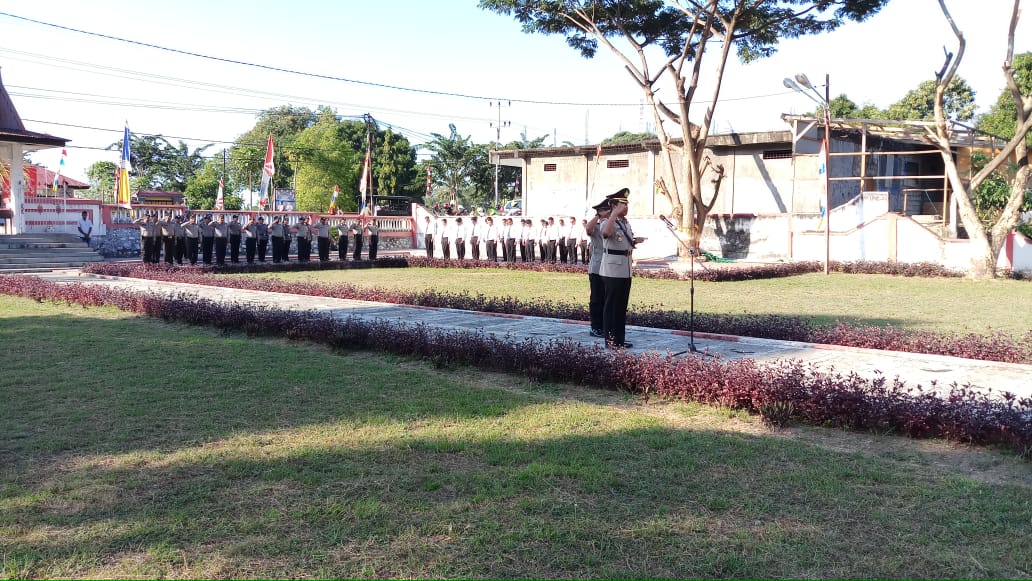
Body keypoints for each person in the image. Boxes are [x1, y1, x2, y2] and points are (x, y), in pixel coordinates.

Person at [600, 188, 646, 349]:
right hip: (612, 270)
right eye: (622, 204)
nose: (625, 208)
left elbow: (623, 240)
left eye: (626, 205)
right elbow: (606, 233)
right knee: (611, 306)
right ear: (612, 205)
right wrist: (613, 214)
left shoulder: (625, 222)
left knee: (620, 307)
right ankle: (610, 341)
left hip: (625, 269)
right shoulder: (607, 221)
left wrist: (635, 241)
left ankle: (619, 339)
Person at [586, 199, 612, 338]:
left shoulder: (612, 225)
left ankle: (606, 325)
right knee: (597, 298)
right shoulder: (596, 226)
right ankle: (595, 326)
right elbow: (588, 229)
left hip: (610, 268)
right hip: (597, 267)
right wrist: (598, 215)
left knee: (608, 298)